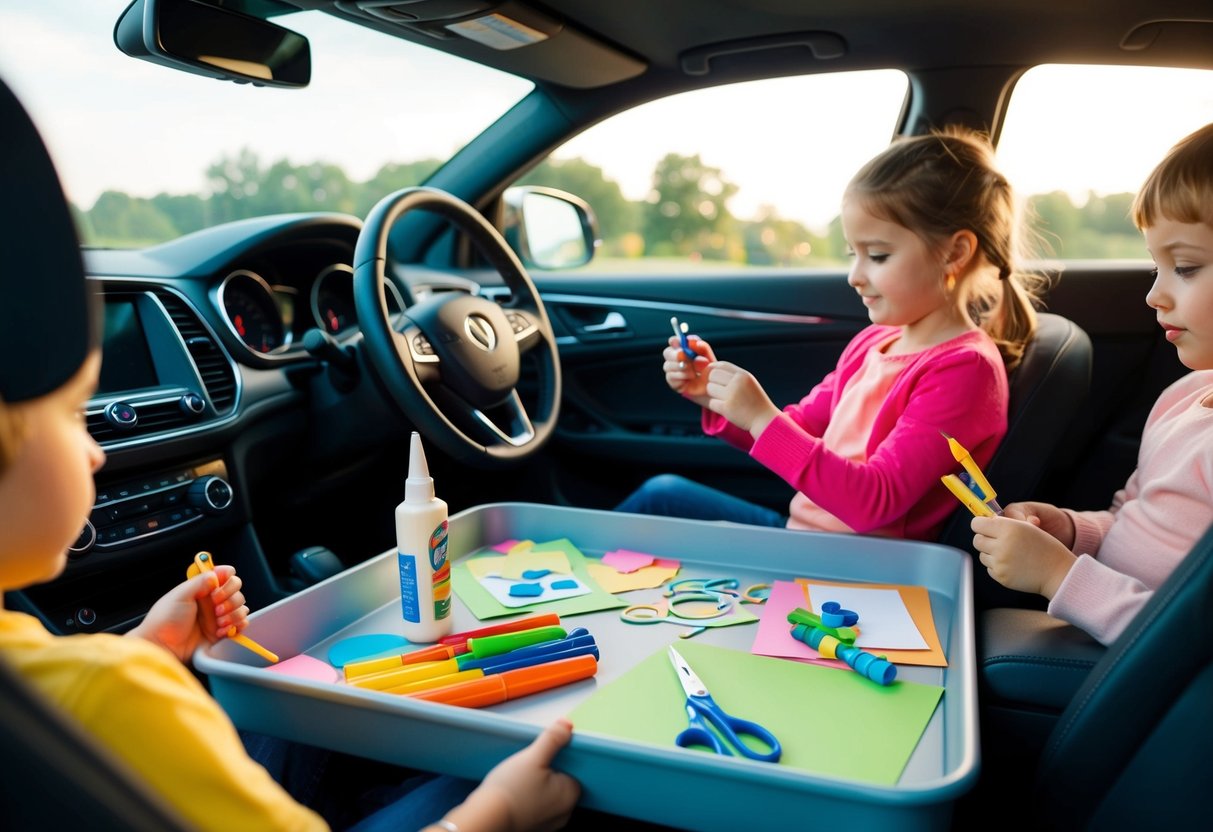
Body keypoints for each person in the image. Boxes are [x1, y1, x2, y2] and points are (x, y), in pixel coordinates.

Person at [0, 77, 579, 832]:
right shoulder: (110, 697)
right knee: (526, 775)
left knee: (287, 687)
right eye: (77, 414)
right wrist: (496, 813)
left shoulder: (72, 681)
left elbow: (75, 702)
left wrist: (146, 648)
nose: (103, 450)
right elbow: (97, 701)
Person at [616, 127, 1043, 541]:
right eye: (851, 254)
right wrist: (714, 396)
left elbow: (875, 501)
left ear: (954, 253)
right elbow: (799, 429)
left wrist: (762, 417)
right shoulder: (875, 344)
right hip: (808, 538)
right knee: (663, 494)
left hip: (859, 568)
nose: (855, 276)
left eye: (877, 255)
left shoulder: (964, 370)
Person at [971, 122, 1213, 645]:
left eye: (1186, 267)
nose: (1154, 296)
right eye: (1156, 266)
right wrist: (1071, 531)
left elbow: (1192, 641)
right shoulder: (1184, 396)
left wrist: (1060, 575)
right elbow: (1131, 518)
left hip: (1151, 678)